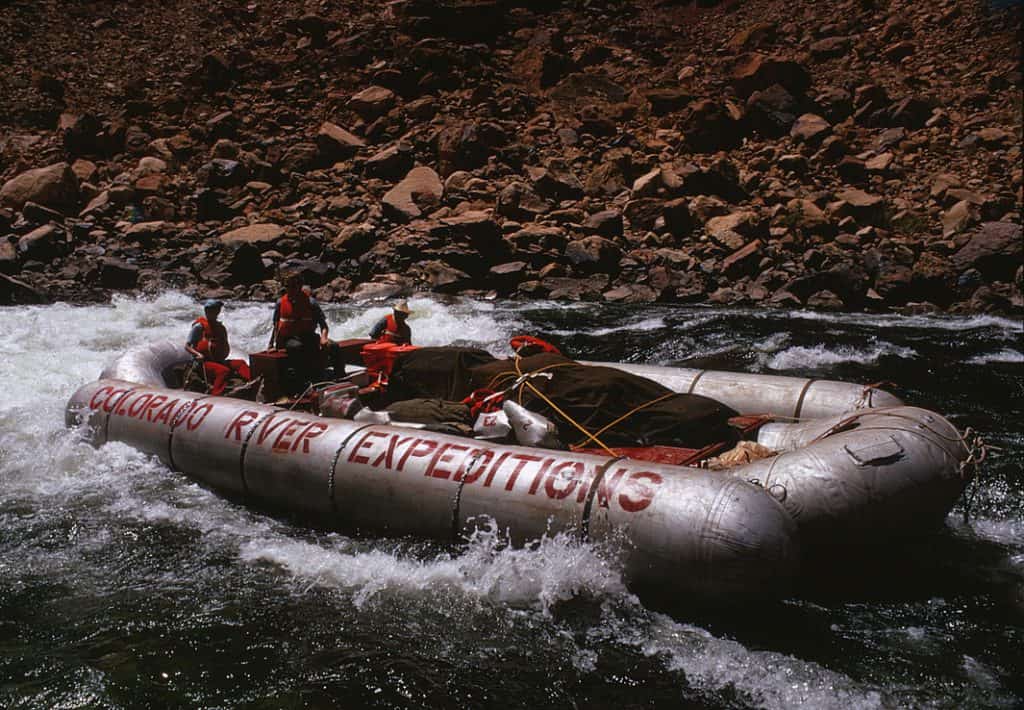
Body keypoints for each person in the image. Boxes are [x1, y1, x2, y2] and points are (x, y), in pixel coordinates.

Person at [270, 273, 330, 391]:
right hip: (289, 339)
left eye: (293, 286)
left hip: (308, 336)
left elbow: (324, 326)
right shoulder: (280, 303)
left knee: (332, 346)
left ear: (300, 286)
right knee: (297, 347)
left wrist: (324, 338)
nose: (290, 289)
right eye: (288, 286)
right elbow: (276, 326)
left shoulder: (311, 303)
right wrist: (271, 344)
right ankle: (302, 383)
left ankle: (324, 379)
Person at [185, 299, 251, 395]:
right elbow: (187, 346)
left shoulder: (220, 327)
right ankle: (216, 393)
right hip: (203, 363)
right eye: (212, 311)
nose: (215, 313)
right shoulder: (199, 327)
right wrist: (198, 354)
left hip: (218, 361)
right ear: (207, 311)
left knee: (240, 363)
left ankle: (252, 382)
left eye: (216, 310)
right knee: (223, 371)